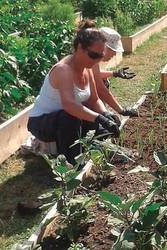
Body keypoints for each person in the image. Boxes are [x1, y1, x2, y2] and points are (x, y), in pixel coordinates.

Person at [27, 20, 120, 165]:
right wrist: (99, 118)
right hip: (42, 122)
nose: (97, 60)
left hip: (67, 120)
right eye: (94, 55)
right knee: (72, 117)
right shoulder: (63, 70)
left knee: (103, 125)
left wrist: (106, 115)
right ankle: (73, 163)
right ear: (80, 49)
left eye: (100, 56)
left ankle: (90, 150)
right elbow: (69, 105)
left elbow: (94, 100)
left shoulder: (87, 68)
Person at [91, 27, 138, 122]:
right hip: (71, 110)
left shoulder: (91, 56)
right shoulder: (91, 59)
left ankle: (100, 114)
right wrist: (121, 110)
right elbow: (101, 89)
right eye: (112, 49)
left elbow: (94, 74)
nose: (115, 53)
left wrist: (115, 73)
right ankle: (97, 117)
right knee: (103, 83)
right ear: (103, 47)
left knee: (104, 80)